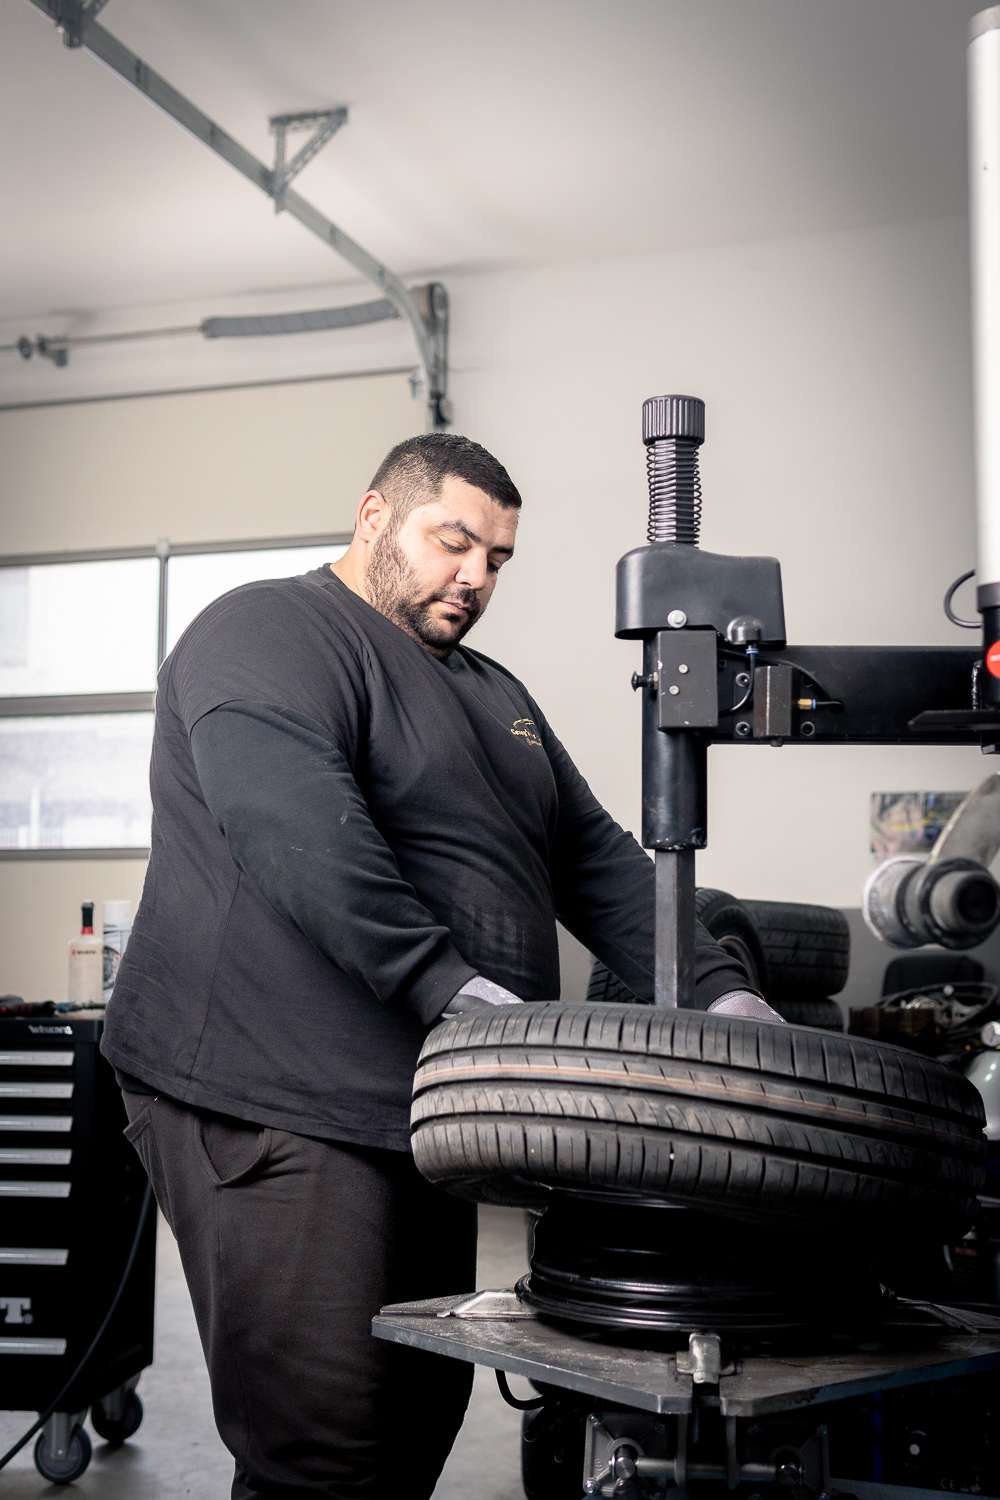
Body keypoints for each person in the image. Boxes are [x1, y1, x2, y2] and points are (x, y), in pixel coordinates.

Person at [102, 432, 775, 1499]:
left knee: (415, 1415)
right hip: (273, 1100)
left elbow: (594, 858)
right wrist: (459, 996)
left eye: (497, 558)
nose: (475, 575)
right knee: (323, 1438)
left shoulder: (490, 689)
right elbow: (299, 836)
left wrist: (717, 986)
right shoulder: (269, 631)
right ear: (374, 516)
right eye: (452, 541)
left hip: (423, 1106)